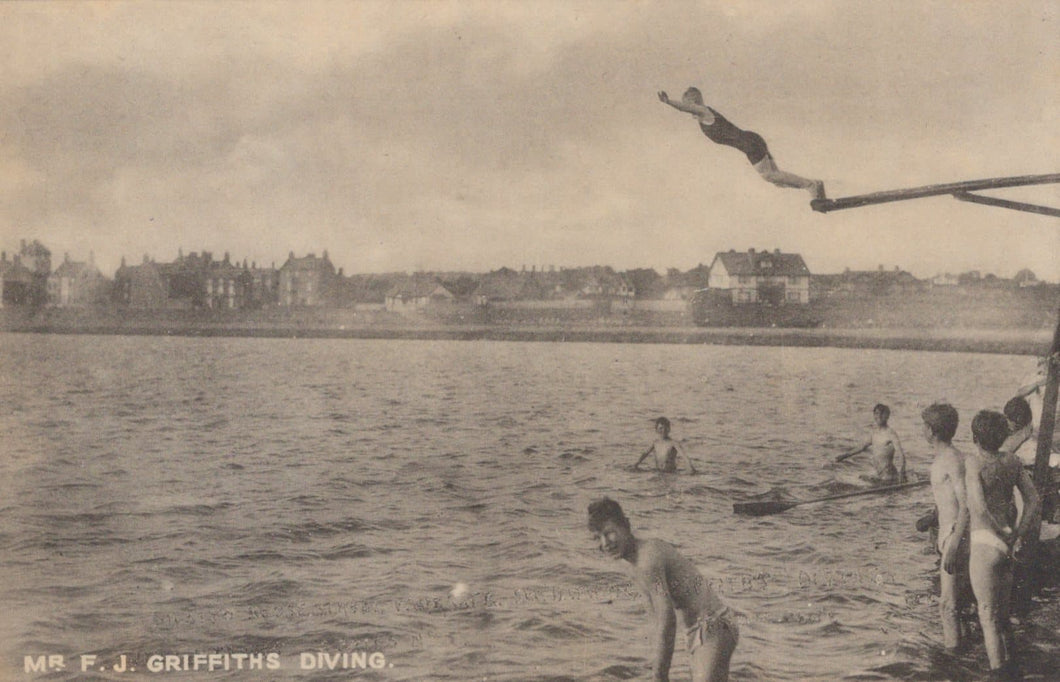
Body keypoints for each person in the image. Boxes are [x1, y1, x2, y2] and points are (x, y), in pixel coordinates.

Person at [588, 498, 737, 682]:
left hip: (713, 627)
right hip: (701, 631)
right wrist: (656, 662)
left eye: (609, 533)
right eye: (597, 537)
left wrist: (660, 674)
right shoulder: (632, 563)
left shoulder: (648, 559)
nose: (605, 543)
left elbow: (667, 618)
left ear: (626, 525)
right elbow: (656, 616)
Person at [965, 410, 1041, 678]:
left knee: (987, 617)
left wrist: (998, 532)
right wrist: (1016, 533)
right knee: (1004, 616)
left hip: (986, 542)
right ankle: (1015, 671)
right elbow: (1033, 500)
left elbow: (980, 509)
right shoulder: (1013, 461)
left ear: (975, 438)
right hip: (1008, 542)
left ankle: (998, 674)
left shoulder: (973, 464)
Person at [658, 87, 825, 200]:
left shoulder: (703, 112)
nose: (688, 110)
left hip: (748, 143)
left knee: (769, 176)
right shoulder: (705, 114)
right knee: (777, 180)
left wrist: (668, 102)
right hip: (752, 139)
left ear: (693, 102)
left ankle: (810, 184)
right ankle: (812, 187)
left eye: (688, 104)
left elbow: (684, 108)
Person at [923, 403, 969, 651]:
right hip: (950, 534)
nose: (923, 430)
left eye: (924, 426)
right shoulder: (945, 458)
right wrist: (932, 517)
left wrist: (952, 546)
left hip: (955, 536)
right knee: (957, 604)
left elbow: (965, 505)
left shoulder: (951, 460)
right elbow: (947, 500)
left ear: (932, 430)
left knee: (947, 605)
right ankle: (962, 653)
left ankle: (951, 660)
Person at [836, 404, 908, 484]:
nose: (879, 416)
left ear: (887, 416)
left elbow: (901, 454)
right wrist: (844, 456)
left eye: (882, 413)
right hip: (880, 475)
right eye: (876, 413)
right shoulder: (874, 433)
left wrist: (902, 473)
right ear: (874, 415)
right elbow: (862, 447)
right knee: (859, 478)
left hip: (888, 476)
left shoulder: (891, 433)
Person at [633, 417, 698, 474]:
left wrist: (690, 467)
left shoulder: (673, 443)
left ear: (669, 429)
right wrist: (636, 464)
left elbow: (684, 456)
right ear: (656, 430)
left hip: (671, 473)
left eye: (665, 428)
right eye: (661, 428)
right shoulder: (655, 443)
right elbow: (645, 454)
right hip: (658, 472)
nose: (663, 430)